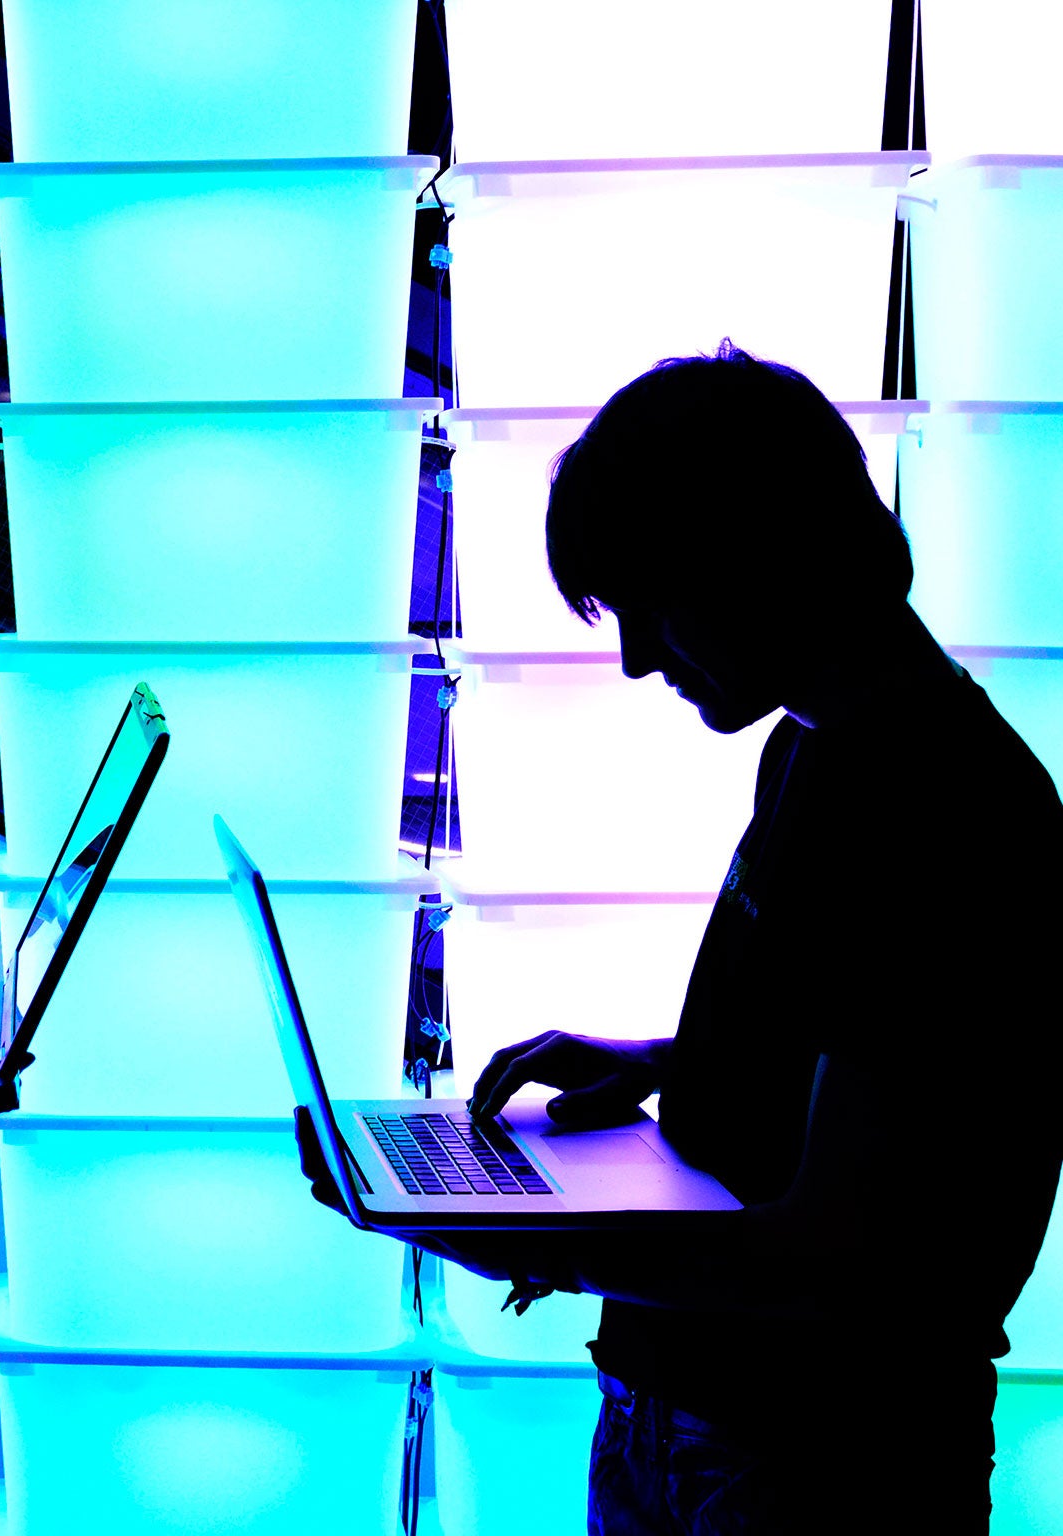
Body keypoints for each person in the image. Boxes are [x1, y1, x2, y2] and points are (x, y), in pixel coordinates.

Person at [302, 345, 1063, 1532]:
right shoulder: (819, 745)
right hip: (697, 1428)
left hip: (816, 1464)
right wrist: (672, 1061)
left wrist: (520, 1242)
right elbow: (882, 1056)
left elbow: (834, 1259)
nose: (636, 655)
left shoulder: (942, 807)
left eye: (650, 604)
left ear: (757, 559)